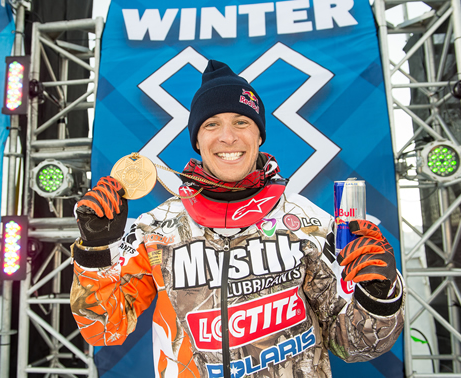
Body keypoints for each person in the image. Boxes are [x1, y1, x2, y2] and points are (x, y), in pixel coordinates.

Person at [70, 60, 404, 378]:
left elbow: (355, 346)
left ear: (259, 136)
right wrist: (96, 254)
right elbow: (103, 329)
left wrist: (380, 296)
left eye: (241, 122)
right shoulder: (156, 229)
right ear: (197, 141)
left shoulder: (307, 224)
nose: (228, 137)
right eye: (211, 124)